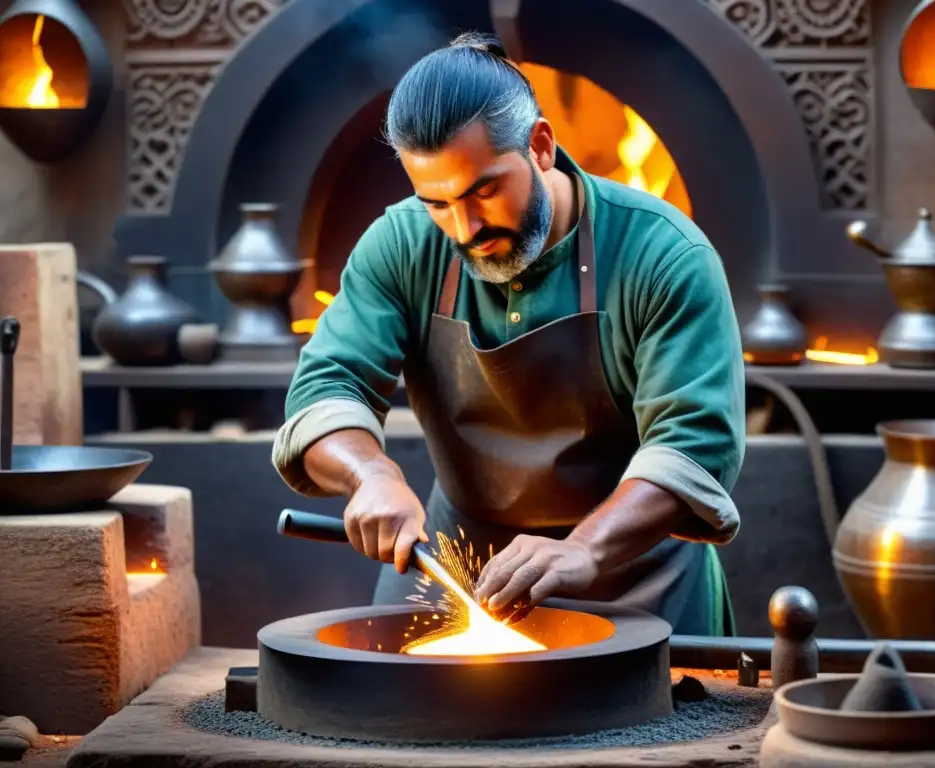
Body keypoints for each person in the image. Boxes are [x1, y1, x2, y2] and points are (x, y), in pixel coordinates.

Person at [273, 32, 746, 635]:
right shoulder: (401, 244)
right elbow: (325, 388)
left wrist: (585, 550)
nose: (465, 227)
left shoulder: (665, 254)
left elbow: (695, 447)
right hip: (458, 568)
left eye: (484, 190)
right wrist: (371, 475)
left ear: (540, 147)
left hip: (637, 575)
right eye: (437, 203)